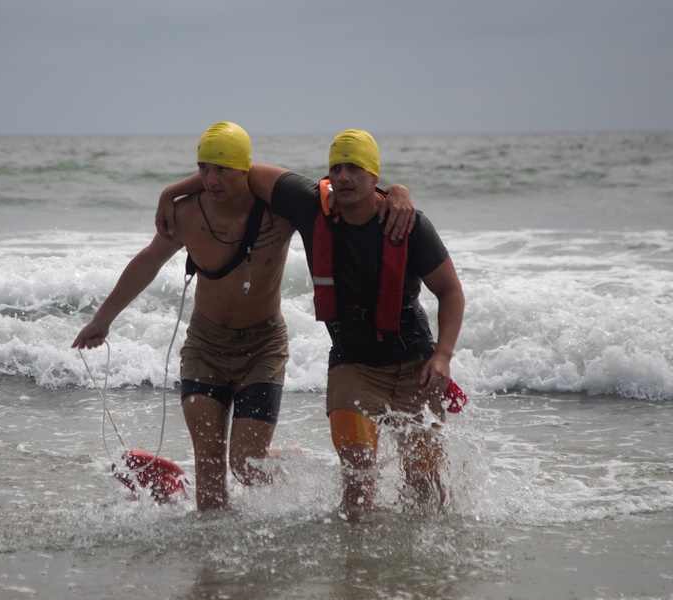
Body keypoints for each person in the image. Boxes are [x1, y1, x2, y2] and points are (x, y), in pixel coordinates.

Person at [73, 122, 416, 511]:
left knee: (246, 465)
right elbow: (149, 261)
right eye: (204, 169)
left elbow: (344, 198)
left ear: (245, 172)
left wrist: (398, 192)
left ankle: (292, 467)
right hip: (206, 345)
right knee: (209, 464)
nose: (211, 179)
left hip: (263, 347)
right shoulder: (187, 214)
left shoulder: (280, 213)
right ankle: (213, 562)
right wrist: (103, 319)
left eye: (222, 170)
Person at [157, 129, 464, 522]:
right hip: (352, 366)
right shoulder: (310, 206)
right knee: (357, 486)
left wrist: (443, 356)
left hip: (415, 366)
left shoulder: (409, 224)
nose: (344, 176)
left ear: (375, 176)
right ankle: (357, 569)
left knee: (427, 492)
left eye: (355, 168)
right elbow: (240, 171)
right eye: (336, 168)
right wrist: (170, 193)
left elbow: (451, 292)